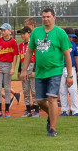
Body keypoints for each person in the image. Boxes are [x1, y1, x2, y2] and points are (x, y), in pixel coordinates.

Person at [21, 8, 74, 136]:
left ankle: (52, 129)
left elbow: (67, 55)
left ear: (54, 17)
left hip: (55, 70)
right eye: (43, 17)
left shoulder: (60, 33)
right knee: (39, 101)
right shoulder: (36, 32)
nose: (45, 19)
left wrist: (69, 75)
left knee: (52, 98)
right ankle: (51, 115)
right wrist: (24, 70)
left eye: (48, 16)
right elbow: (29, 52)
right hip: (40, 71)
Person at [0, 23, 19, 118]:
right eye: (2, 30)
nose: (2, 32)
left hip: (8, 65)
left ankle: (7, 110)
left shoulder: (13, 42)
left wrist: (13, 67)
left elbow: (15, 56)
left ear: (9, 31)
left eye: (4, 30)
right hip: (0, 64)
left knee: (7, 88)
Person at [61, 29, 78, 117]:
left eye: (72, 37)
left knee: (73, 89)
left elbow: (76, 58)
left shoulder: (73, 44)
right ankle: (64, 110)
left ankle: (75, 110)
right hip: (61, 69)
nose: (70, 38)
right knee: (62, 90)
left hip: (72, 68)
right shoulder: (59, 44)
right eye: (69, 36)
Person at [17, 25, 35, 116]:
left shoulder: (33, 44)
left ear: (29, 33)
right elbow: (21, 59)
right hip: (24, 67)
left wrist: (34, 70)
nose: (22, 35)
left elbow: (37, 58)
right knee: (26, 90)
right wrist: (19, 71)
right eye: (21, 34)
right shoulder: (20, 45)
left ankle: (36, 111)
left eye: (24, 33)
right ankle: (28, 110)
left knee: (34, 90)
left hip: (32, 67)